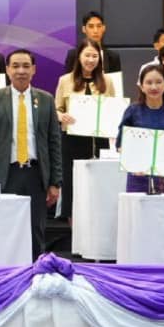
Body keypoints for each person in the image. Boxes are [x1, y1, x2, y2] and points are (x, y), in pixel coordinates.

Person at [0, 48, 62, 259]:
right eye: (15, 66)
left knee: (36, 229)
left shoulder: (46, 99)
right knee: (5, 229)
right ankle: (8, 271)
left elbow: (54, 143)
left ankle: (36, 270)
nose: (21, 71)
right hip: (7, 174)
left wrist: (55, 182)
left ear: (34, 69)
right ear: (7, 69)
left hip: (36, 175)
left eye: (26, 66)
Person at [54, 38, 115, 220]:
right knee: (72, 185)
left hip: (98, 140)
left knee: (97, 184)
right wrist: (61, 116)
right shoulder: (65, 80)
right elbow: (56, 109)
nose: (91, 60)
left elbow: (114, 108)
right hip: (72, 140)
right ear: (79, 57)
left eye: (95, 56)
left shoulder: (108, 81)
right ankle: (74, 230)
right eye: (87, 55)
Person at [115, 63, 164, 195]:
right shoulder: (133, 110)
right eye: (149, 82)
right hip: (138, 175)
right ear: (141, 86)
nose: (154, 87)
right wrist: (132, 164)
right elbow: (120, 144)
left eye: (158, 82)